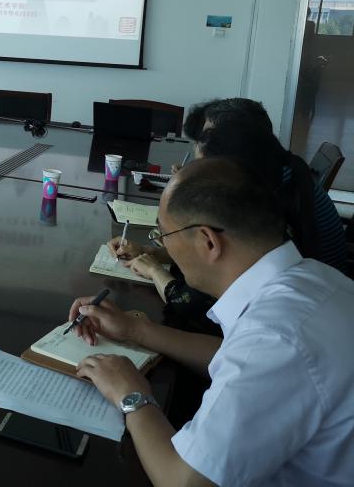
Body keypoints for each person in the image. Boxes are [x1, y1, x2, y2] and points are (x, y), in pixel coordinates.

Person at [72, 158, 354, 486]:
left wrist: (131, 394)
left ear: (208, 241)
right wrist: (137, 330)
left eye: (163, 235)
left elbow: (184, 481)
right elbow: (233, 354)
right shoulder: (317, 278)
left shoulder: (275, 338)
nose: (163, 245)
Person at [114, 119, 347, 320]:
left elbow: (194, 303)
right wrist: (156, 253)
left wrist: (155, 269)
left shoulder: (267, 328)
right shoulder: (276, 191)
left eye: (202, 170)